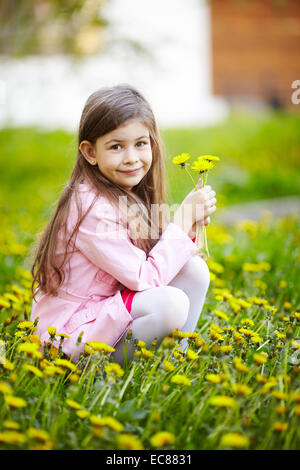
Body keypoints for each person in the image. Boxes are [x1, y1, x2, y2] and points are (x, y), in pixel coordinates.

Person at [30, 84, 217, 365]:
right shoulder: (90, 208)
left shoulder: (124, 192)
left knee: (194, 270)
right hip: (68, 335)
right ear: (90, 152)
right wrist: (179, 225)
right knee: (170, 304)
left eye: (140, 144)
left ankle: (171, 366)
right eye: (116, 147)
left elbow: (150, 261)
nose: (131, 157)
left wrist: (188, 229)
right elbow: (146, 278)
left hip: (104, 309)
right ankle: (98, 374)